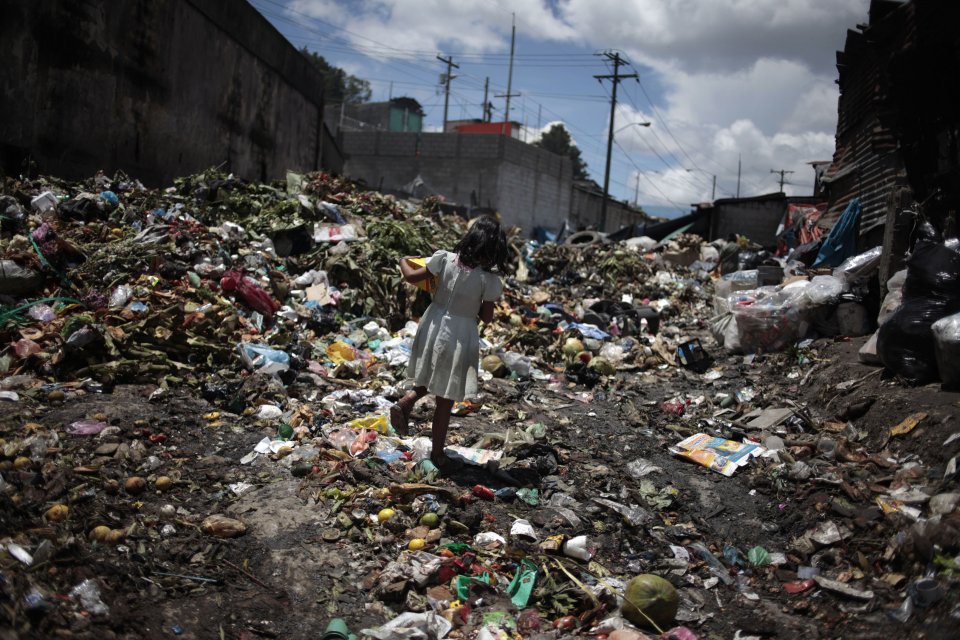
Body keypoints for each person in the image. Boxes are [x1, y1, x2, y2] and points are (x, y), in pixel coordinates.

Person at [392, 216, 507, 472]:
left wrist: (403, 260)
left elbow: (411, 276)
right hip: (460, 331)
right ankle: (438, 454)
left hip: (432, 321)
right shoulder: (487, 280)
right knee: (445, 398)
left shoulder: (444, 259)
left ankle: (407, 400)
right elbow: (487, 317)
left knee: (430, 373)